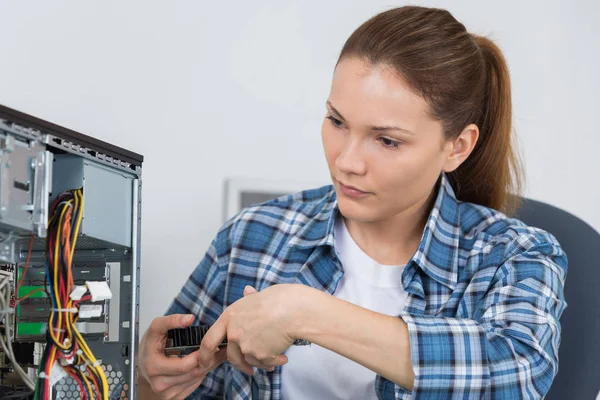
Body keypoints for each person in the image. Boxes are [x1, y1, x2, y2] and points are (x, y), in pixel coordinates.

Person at [138, 5, 567, 400]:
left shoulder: (514, 254)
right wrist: (151, 379)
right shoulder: (253, 234)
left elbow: (516, 371)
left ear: (457, 146)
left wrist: (303, 312)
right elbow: (169, 382)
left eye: (387, 140)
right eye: (337, 121)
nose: (346, 161)